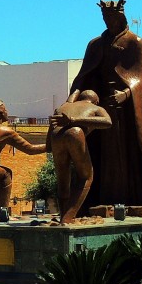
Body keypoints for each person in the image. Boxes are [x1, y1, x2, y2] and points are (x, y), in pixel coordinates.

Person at [69, 0, 142, 214]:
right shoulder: (96, 44)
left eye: (111, 17)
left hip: (128, 111)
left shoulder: (135, 42)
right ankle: (101, 198)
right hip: (102, 107)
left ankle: (136, 198)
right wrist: (71, 101)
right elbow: (84, 76)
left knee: (130, 153)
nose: (108, 21)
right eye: (104, 17)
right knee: (104, 154)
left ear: (121, 16)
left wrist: (126, 94)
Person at [48, 90, 112, 223]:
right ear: (96, 101)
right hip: (75, 134)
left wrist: (49, 146)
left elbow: (49, 138)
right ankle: (68, 217)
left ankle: (62, 217)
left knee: (63, 180)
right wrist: (73, 121)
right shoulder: (96, 107)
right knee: (86, 177)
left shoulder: (63, 107)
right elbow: (108, 122)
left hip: (56, 136)